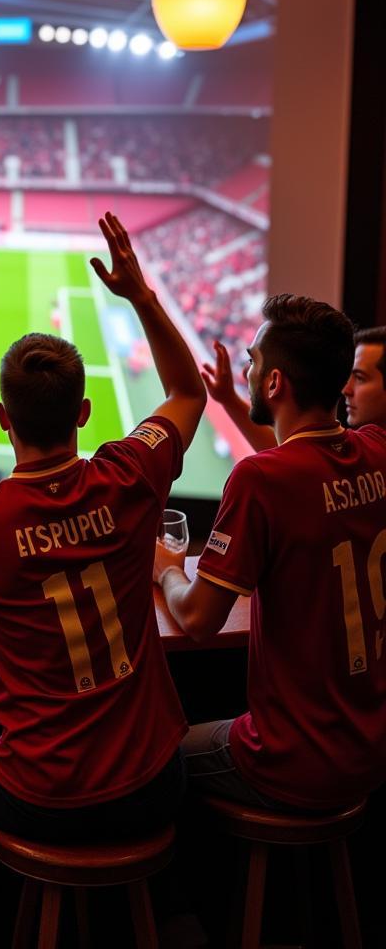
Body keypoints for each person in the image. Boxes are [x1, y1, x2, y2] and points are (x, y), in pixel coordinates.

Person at [0, 214, 206, 944]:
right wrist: (141, 296)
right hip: (154, 780)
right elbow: (187, 393)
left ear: (1, 418)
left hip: (41, 789)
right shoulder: (131, 473)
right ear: (85, 413)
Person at [155, 297, 386, 810]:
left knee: (152, 762)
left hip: (291, 759)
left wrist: (168, 572)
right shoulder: (375, 449)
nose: (248, 370)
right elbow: (302, 470)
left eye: (253, 362)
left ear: (276, 383)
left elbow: (197, 619)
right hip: (370, 750)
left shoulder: (261, 481)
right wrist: (235, 403)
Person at [201, 325, 386, 452]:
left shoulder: (370, 452)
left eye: (360, 378)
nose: (346, 389)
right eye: (349, 376)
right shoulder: (367, 448)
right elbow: (291, 458)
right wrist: (229, 399)